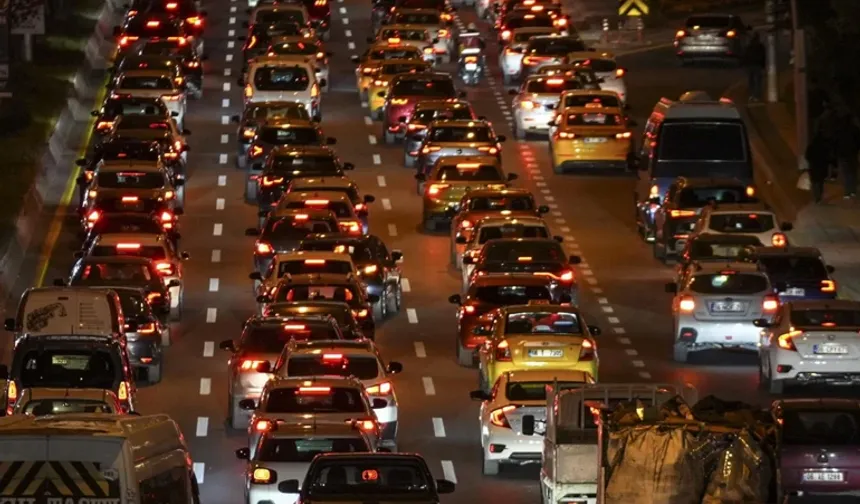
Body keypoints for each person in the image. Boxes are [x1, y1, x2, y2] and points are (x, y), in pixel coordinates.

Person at [832, 112, 860, 199]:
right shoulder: (855, 129)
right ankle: (852, 191)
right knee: (852, 172)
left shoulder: (839, 130)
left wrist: (836, 153)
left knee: (846, 173)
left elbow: (835, 142)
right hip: (852, 154)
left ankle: (847, 192)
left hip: (842, 154)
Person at [805, 129, 831, 204]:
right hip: (822, 166)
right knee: (820, 182)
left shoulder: (811, 146)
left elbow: (807, 156)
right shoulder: (824, 147)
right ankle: (819, 196)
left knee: (814, 182)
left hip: (813, 166)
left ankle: (816, 197)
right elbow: (827, 157)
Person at [743, 32, 766, 102]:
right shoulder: (761, 46)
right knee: (758, 81)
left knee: (751, 81)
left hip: (750, 65)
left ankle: (751, 95)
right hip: (757, 65)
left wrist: (745, 64)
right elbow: (763, 57)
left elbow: (746, 56)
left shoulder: (749, 46)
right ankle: (756, 96)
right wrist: (763, 66)